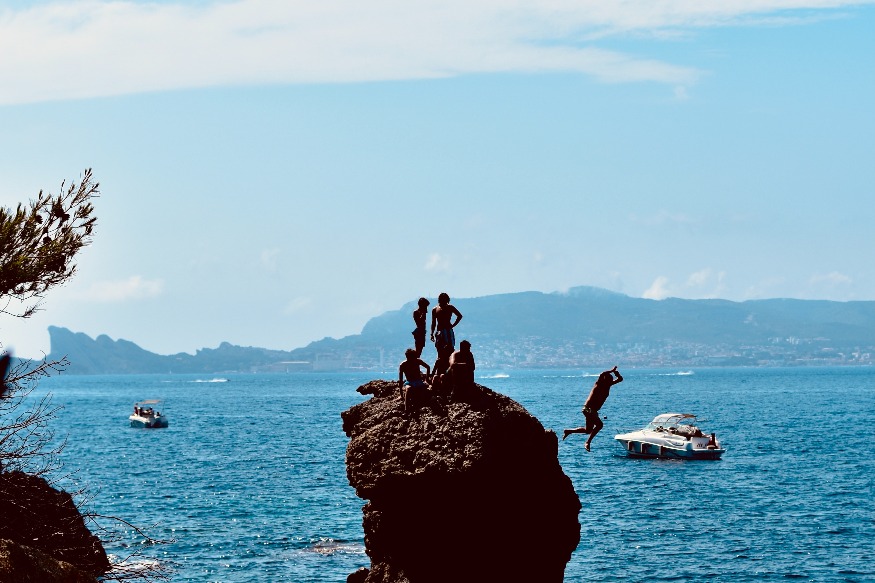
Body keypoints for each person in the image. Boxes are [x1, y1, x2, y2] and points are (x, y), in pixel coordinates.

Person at [563, 366, 623, 451]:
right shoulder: (598, 384)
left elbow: (620, 379)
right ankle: (588, 442)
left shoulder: (608, 385)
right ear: (605, 380)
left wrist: (617, 374)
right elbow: (602, 374)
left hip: (592, 410)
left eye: (611, 380)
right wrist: (611, 370)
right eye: (609, 380)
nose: (611, 381)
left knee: (588, 430)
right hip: (588, 409)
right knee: (599, 425)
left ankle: (568, 431)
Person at [430, 292, 462, 377]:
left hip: (448, 330)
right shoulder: (435, 309)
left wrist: (453, 325)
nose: (443, 301)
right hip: (439, 331)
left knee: (450, 349)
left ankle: (449, 369)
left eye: (445, 300)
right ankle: (440, 369)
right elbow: (433, 322)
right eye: (441, 300)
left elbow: (459, 316)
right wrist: (432, 333)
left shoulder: (450, 307)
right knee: (440, 350)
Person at [398, 348, 431, 413]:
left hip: (419, 381)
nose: (413, 359)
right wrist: (401, 394)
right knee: (409, 389)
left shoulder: (418, 361)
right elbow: (401, 380)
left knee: (427, 390)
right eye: (411, 358)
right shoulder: (403, 365)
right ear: (407, 357)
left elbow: (428, 367)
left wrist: (426, 380)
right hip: (409, 382)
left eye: (414, 357)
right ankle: (406, 409)